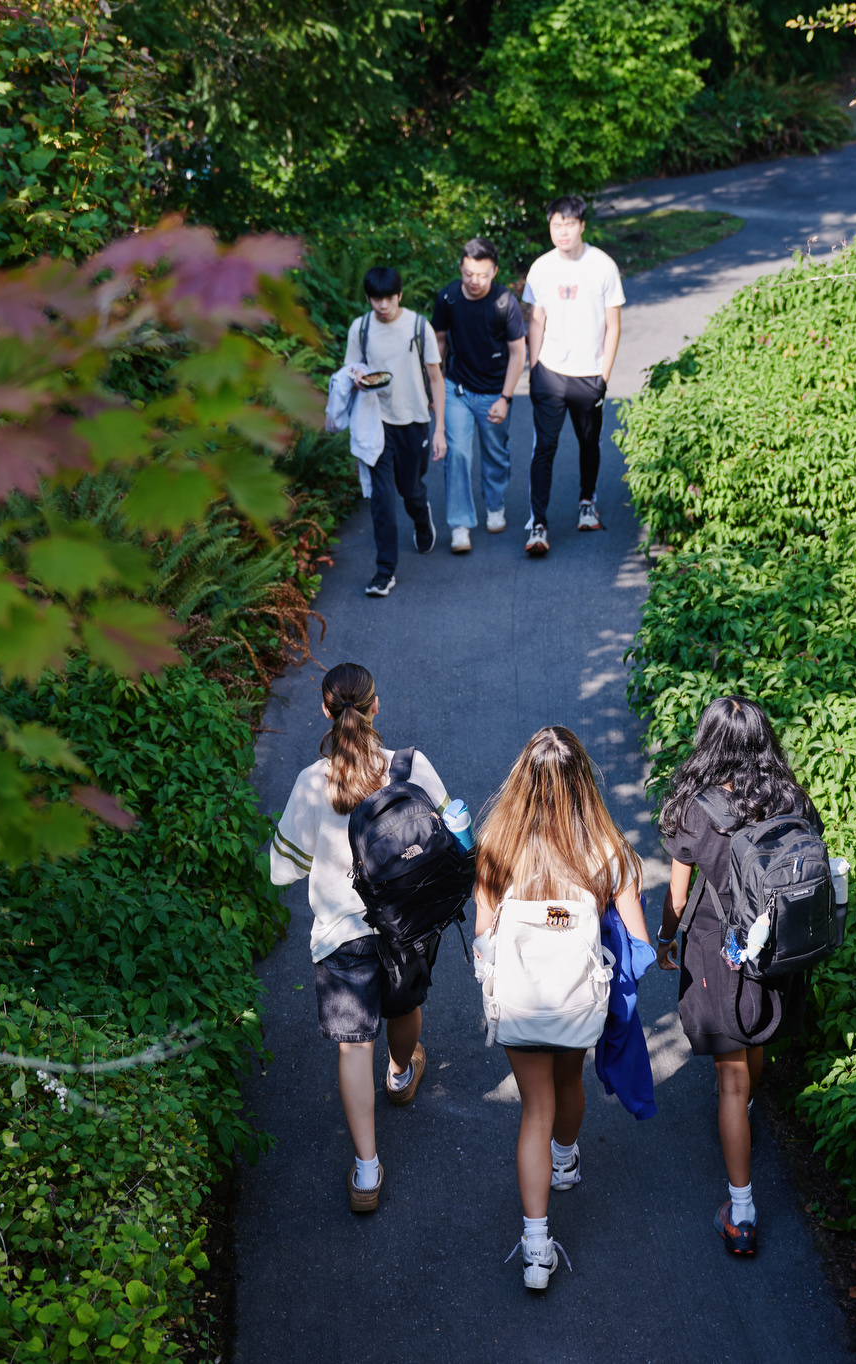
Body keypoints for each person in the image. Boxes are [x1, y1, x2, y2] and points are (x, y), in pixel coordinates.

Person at [472, 727, 649, 1288]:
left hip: (521, 1002)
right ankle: (566, 1159)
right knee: (568, 1083)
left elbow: (482, 937)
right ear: (582, 785)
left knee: (534, 1108)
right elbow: (639, 948)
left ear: (523, 782)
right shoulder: (605, 850)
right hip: (577, 1005)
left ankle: (535, 1248)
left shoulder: (497, 846)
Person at [269, 663, 450, 1214]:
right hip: (404, 925)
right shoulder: (410, 766)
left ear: (325, 712)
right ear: (376, 707)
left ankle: (367, 1172)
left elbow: (283, 871)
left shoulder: (309, 782)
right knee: (404, 1007)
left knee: (353, 1046)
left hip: (341, 936)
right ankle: (399, 1075)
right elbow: (451, 831)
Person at [654, 697, 825, 1256]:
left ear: (709, 742)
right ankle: (747, 1107)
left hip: (720, 952)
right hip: (777, 947)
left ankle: (742, 1211)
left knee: (729, 1079)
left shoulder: (695, 808)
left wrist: (664, 941)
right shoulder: (790, 796)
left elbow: (677, 897)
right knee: (753, 1048)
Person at [520, 194, 625, 557]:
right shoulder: (541, 268)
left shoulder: (603, 266)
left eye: (569, 224)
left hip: (589, 375)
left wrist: (604, 377)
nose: (562, 232)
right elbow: (536, 319)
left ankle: (586, 503)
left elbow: (613, 327)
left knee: (588, 442)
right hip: (549, 372)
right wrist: (534, 367)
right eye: (555, 225)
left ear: (582, 225)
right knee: (543, 448)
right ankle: (538, 525)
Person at [343, 266, 447, 597]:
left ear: (400, 295)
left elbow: (435, 378)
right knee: (382, 499)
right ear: (368, 298)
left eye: (389, 298)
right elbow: (352, 369)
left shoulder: (418, 327)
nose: (383, 305)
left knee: (410, 489)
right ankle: (384, 572)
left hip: (414, 420)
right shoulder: (360, 329)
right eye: (376, 299)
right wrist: (356, 378)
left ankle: (421, 515)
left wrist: (440, 427)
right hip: (375, 422)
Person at [430, 238, 527, 552]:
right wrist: (434, 384)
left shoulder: (504, 303)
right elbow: (439, 342)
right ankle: (460, 524)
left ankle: (495, 505)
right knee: (457, 452)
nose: (474, 281)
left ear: (494, 271)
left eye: (482, 275)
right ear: (461, 267)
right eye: (468, 273)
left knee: (495, 453)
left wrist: (506, 397)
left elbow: (517, 353)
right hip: (457, 386)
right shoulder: (447, 297)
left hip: (494, 392)